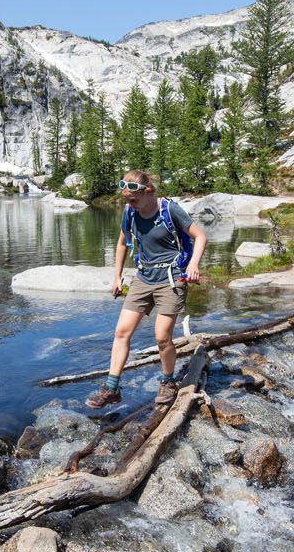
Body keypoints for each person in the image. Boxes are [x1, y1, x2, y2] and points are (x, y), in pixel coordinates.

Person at [86, 170, 207, 410]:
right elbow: (122, 243)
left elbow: (200, 236)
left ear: (148, 191)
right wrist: (117, 277)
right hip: (143, 277)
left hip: (171, 278)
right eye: (127, 200)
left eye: (133, 200)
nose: (130, 205)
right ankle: (111, 389)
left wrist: (193, 264)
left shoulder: (169, 210)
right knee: (121, 331)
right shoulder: (130, 212)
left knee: (162, 336)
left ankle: (168, 381)